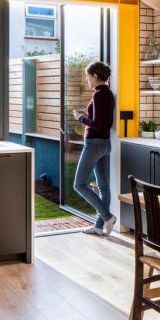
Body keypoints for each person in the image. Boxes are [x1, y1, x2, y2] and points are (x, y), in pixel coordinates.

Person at [72, 60, 117, 236]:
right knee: (104, 187)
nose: (86, 80)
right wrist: (87, 115)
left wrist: (80, 118)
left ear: (95, 76)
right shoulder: (108, 94)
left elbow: (96, 124)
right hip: (105, 144)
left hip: (94, 144)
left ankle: (107, 217)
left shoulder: (98, 95)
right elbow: (105, 122)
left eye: (87, 76)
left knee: (79, 184)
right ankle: (99, 226)